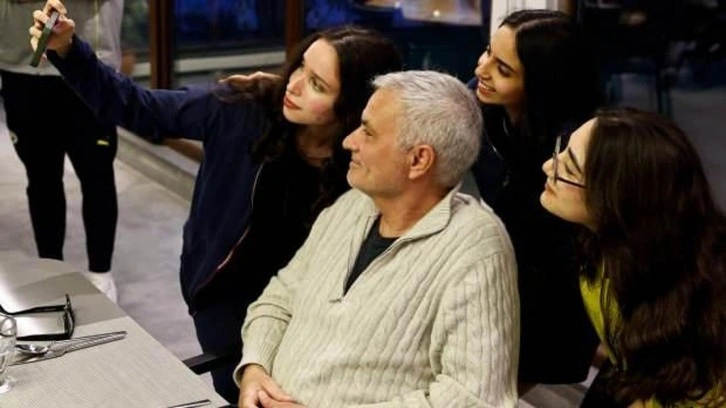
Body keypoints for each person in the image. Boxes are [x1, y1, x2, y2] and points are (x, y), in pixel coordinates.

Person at [31, 0, 403, 402]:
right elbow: (140, 107)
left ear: (352, 109)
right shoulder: (242, 108)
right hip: (225, 291)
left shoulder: (365, 159)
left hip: (311, 302)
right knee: (246, 391)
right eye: (300, 67)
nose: (293, 85)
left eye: (317, 84)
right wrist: (69, 51)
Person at [235, 70, 520, 408]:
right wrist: (255, 367)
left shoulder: (476, 248)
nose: (348, 141)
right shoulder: (351, 205)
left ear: (419, 160)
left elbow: (475, 397)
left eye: (367, 132)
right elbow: (279, 299)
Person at [540, 107, 726, 407]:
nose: (549, 166)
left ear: (616, 199)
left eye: (570, 170)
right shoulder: (601, 248)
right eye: (561, 150)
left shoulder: (704, 314)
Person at [468, 9, 603, 388]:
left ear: (543, 82)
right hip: (495, 262)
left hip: (550, 285)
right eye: (488, 52)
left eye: (503, 69)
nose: (481, 69)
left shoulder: (579, 147)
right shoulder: (479, 102)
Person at [0, 0, 124, 302]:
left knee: (97, 176)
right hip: (19, 65)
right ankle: (52, 271)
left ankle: (101, 273)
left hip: (89, 59)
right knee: (41, 179)